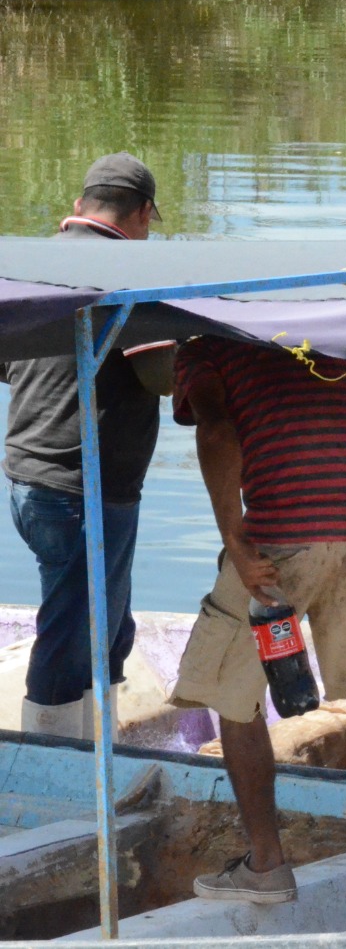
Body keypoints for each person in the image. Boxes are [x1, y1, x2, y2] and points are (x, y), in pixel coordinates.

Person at [168, 335, 346, 903]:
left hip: (279, 534)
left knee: (236, 699)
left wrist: (235, 536)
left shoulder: (203, 345)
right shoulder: (340, 335)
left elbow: (216, 430)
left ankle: (266, 865)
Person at [2, 153, 173, 739]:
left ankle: (98, 752)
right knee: (76, 630)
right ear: (143, 213)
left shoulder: (30, 263)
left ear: (79, 206)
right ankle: (53, 768)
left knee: (106, 626)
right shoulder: (128, 274)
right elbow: (161, 377)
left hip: (28, 477)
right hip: (86, 486)